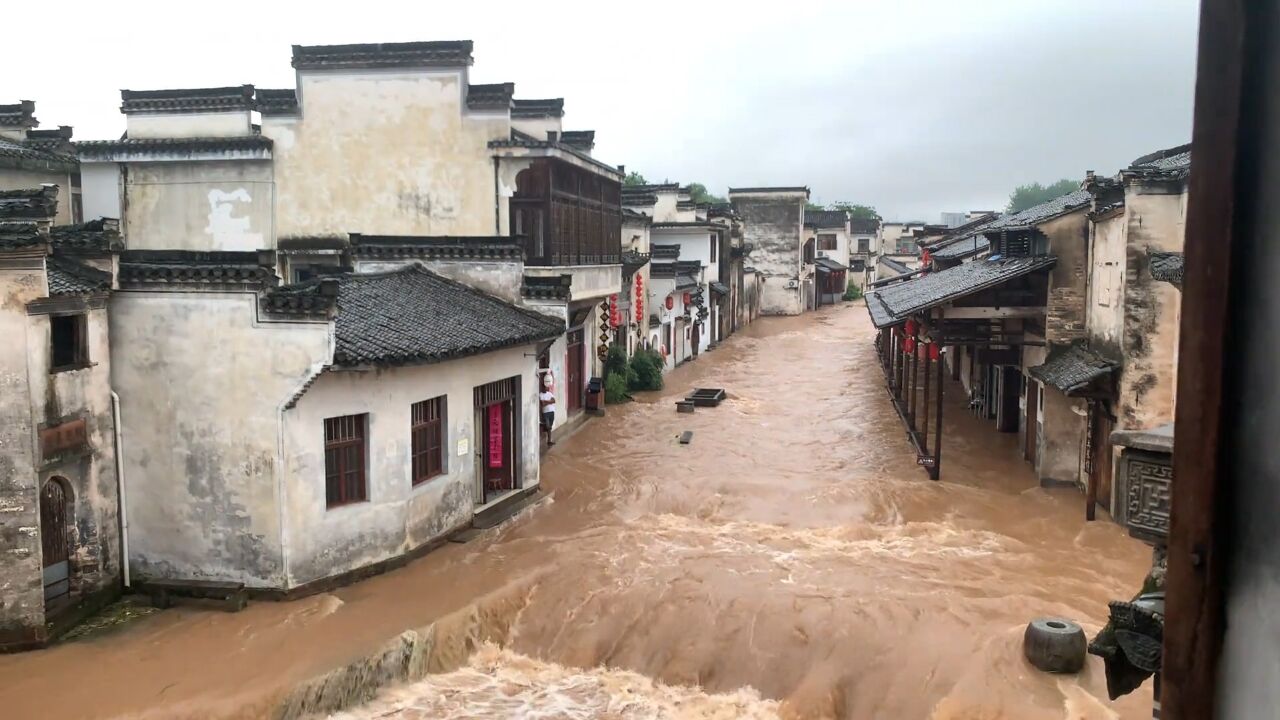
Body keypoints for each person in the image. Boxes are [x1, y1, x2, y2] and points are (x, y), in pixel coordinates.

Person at [538, 371, 556, 447]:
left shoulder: (549, 393)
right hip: (545, 413)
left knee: (550, 427)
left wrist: (546, 402)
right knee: (548, 426)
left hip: (552, 412)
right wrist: (549, 401)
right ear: (543, 387)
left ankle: (549, 440)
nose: (546, 387)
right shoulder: (540, 395)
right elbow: (542, 404)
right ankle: (548, 440)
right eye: (545, 386)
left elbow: (554, 401)